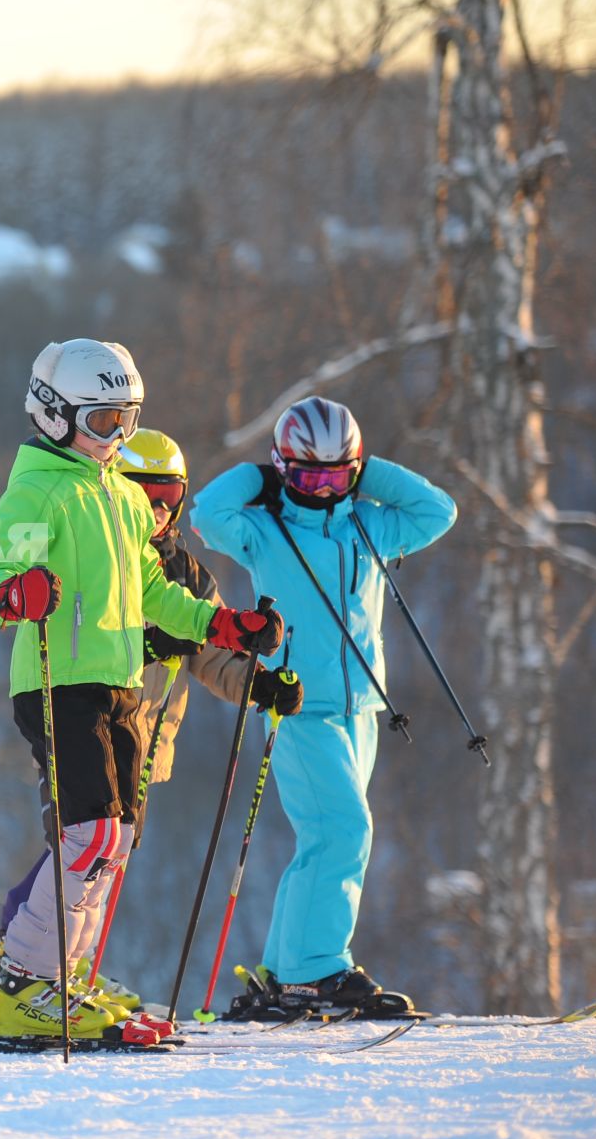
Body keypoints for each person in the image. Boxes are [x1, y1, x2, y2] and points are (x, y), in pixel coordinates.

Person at [0, 339, 283, 1045]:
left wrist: (225, 625)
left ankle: (66, 975)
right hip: (58, 680)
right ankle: (25, 982)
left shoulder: (120, 496)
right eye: (104, 420)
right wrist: (19, 592)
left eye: (128, 421)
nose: (118, 437)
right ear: (54, 415)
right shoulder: (34, 489)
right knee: (87, 834)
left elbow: (154, 593)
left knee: (117, 837)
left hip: (117, 682)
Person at [189, 396, 455, 1014]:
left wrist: (369, 474)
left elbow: (438, 511)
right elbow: (208, 513)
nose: (324, 490)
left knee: (323, 838)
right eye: (309, 476)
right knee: (343, 829)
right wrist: (258, 478)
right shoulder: (264, 529)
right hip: (297, 708)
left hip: (360, 709)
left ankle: (285, 973)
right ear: (284, 471)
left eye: (338, 476)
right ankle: (316, 968)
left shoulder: (370, 524)